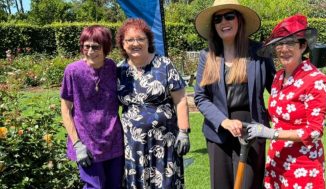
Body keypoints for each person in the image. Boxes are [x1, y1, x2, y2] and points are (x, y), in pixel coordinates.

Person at [193, 0, 276, 188]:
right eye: (218, 18)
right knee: (221, 184)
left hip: (252, 130)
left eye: (229, 16)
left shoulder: (259, 52)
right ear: (214, 26)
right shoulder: (207, 55)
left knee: (250, 184)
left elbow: (276, 89)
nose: (224, 22)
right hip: (218, 132)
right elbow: (200, 96)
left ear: (239, 20)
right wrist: (224, 121)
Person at [247, 14, 326, 189]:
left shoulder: (316, 81)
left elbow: (314, 131)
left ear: (302, 46)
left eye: (290, 42)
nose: (283, 48)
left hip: (303, 164)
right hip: (277, 160)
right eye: (279, 43)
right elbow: (279, 114)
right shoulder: (278, 77)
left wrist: (271, 133)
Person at [116, 18, 190, 189]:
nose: (136, 43)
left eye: (140, 39)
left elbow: (180, 100)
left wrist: (184, 132)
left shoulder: (164, 64)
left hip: (165, 143)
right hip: (133, 146)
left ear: (148, 41)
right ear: (122, 44)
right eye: (130, 40)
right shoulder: (119, 70)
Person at [60, 25, 124, 189]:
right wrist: (77, 144)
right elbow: (66, 109)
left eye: (95, 47)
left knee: (115, 185)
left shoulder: (112, 68)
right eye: (85, 46)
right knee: (94, 186)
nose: (90, 51)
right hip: (86, 143)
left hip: (114, 142)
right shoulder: (73, 71)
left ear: (106, 47)